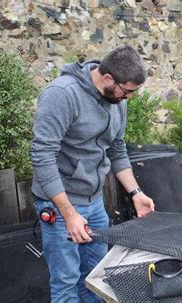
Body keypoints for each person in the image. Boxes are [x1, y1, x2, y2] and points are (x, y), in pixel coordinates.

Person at [30, 45, 155, 302]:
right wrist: (69, 214)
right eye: (128, 91)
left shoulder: (116, 100)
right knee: (66, 282)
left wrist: (136, 193)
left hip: (95, 204)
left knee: (96, 277)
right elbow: (42, 156)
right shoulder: (61, 95)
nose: (129, 97)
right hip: (60, 205)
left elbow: (117, 149)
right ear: (108, 78)